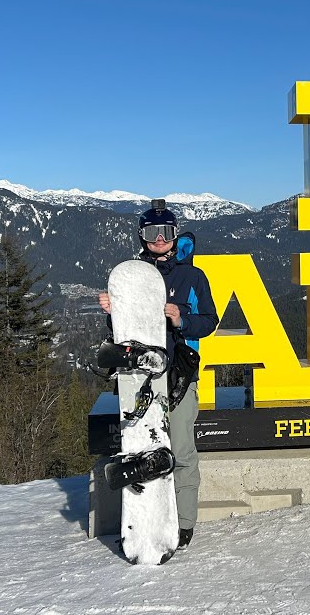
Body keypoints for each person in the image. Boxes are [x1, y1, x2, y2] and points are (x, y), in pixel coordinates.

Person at [99, 199, 217, 549]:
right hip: (140, 376)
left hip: (178, 373)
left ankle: (184, 521)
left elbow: (209, 320)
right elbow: (122, 331)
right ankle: (145, 518)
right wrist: (112, 312)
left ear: (175, 234)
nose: (160, 239)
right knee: (141, 446)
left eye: (165, 232)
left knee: (180, 448)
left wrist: (181, 319)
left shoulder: (192, 276)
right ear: (142, 236)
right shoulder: (132, 275)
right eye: (152, 233)